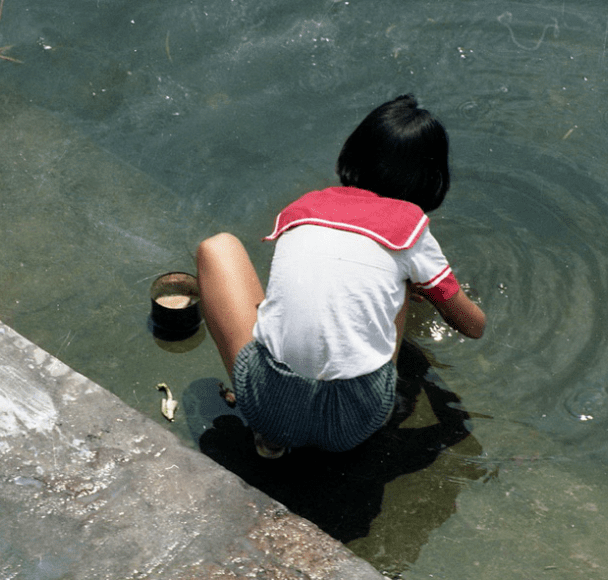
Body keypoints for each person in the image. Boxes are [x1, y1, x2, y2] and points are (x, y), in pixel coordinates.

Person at [196, 94, 485, 458]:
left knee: (218, 247)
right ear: (431, 177)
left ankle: (271, 438)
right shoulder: (410, 229)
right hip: (356, 424)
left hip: (268, 410)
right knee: (402, 276)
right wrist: (422, 287)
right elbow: (473, 326)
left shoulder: (304, 208)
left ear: (353, 153)